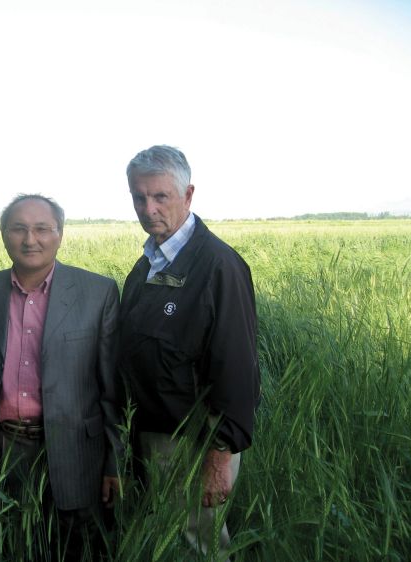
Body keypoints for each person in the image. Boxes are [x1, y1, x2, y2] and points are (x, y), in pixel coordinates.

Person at [0, 194, 122, 560]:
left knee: (74, 549)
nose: (30, 239)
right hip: (2, 452)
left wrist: (115, 462)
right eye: (18, 228)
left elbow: (112, 388)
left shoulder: (98, 293)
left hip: (76, 454)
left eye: (42, 229)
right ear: (3, 235)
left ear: (60, 234)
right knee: (8, 545)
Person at [118, 145, 260, 559]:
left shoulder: (219, 266)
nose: (148, 208)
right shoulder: (148, 264)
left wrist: (219, 456)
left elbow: (236, 369)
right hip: (151, 436)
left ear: (188, 195)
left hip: (195, 445)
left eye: (160, 196)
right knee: (165, 540)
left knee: (200, 546)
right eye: (138, 197)